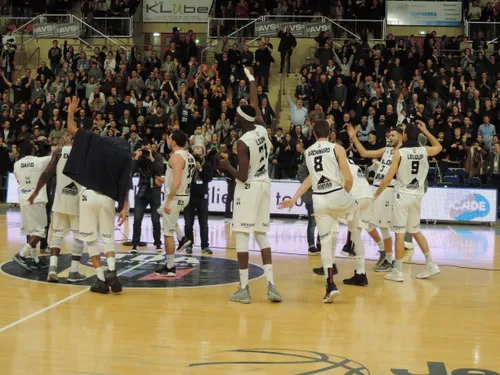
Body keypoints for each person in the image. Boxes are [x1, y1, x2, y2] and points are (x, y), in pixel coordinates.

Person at [219, 67, 282, 304]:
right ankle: (271, 285)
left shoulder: (243, 143)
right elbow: (254, 104)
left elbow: (242, 176)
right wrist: (253, 79)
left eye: (236, 116)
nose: (234, 117)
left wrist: (227, 166)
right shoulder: (260, 128)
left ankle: (244, 289)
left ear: (241, 120)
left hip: (249, 187)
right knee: (262, 236)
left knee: (243, 236)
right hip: (266, 184)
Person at [279, 120, 360, 303]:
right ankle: (349, 243)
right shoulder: (336, 148)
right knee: (356, 207)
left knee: (324, 242)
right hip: (336, 194)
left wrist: (294, 198)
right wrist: (344, 197)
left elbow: (309, 179)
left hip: (319, 199)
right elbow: (348, 179)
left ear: (313, 134)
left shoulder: (307, 152)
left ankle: (330, 284)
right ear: (330, 132)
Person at [64, 97, 131, 294]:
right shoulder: (123, 155)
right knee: (108, 238)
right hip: (108, 198)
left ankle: (101, 280)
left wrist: (71, 111)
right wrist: (124, 208)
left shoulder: (94, 141)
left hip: (88, 195)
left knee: (91, 239)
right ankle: (111, 269)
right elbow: (125, 184)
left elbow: (70, 129)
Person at [374, 121, 442, 282]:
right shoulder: (424, 150)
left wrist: (376, 194)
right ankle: (431, 264)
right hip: (416, 196)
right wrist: (426, 131)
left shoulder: (400, 153)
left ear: (404, 135)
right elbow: (438, 147)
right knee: (415, 231)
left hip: (401, 196)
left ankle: (397, 271)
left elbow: (388, 177)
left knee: (399, 233)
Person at [27, 136, 86, 283]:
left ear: (68, 140)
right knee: (78, 237)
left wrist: (35, 192)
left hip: (60, 201)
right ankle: (73, 272)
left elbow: (46, 173)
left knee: (57, 236)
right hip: (77, 202)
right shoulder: (85, 152)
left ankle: (52, 269)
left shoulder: (59, 152)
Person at [348, 125, 403, 272]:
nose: (389, 138)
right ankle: (383, 250)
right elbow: (364, 153)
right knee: (367, 222)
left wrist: (377, 193)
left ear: (401, 137)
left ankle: (389, 259)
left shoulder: (402, 153)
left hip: (387, 190)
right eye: (389, 135)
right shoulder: (387, 150)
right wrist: (354, 138)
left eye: (393, 135)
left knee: (384, 227)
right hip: (377, 188)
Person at [155, 130, 196, 276]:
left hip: (176, 196)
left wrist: (169, 200)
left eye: (169, 138)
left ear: (173, 142)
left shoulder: (176, 158)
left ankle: (170, 267)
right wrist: (165, 180)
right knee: (162, 213)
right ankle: (182, 238)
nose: (167, 140)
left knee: (167, 233)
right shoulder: (189, 156)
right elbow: (181, 177)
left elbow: (177, 182)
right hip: (185, 195)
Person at [11, 139, 51, 271]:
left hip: (23, 199)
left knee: (32, 231)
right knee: (40, 231)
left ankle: (35, 259)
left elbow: (17, 180)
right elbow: (56, 156)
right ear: (33, 150)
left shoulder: (17, 164)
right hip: (37, 199)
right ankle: (22, 254)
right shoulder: (40, 161)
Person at [130, 141, 164, 254]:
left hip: (155, 191)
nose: (146, 150)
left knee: (156, 220)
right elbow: (131, 172)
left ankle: (158, 243)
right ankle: (135, 244)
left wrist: (151, 158)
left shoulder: (157, 157)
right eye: (144, 148)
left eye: (148, 148)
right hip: (142, 191)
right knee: (137, 218)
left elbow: (160, 170)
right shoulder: (139, 158)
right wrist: (136, 158)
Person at [184, 145, 214, 255]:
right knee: (188, 223)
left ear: (204, 154)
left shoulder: (207, 165)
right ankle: (188, 245)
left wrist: (199, 168)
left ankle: (205, 246)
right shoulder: (189, 165)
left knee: (203, 223)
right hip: (190, 196)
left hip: (202, 197)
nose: (198, 155)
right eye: (196, 153)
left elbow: (208, 178)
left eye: (200, 153)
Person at [297, 161, 320, 255]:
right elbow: (304, 181)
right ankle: (311, 245)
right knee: (312, 222)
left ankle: (320, 243)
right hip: (310, 198)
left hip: (321, 197)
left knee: (322, 222)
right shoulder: (303, 167)